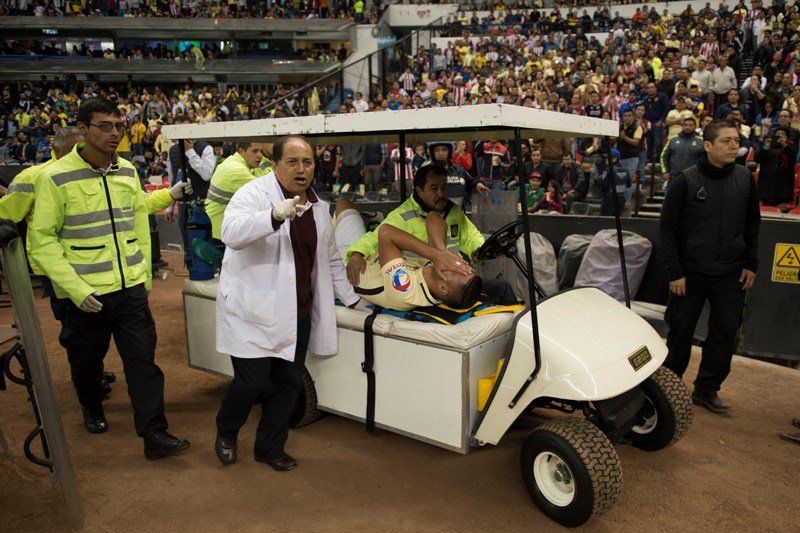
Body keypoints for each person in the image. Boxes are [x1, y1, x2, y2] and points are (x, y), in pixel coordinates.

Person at [28, 98, 190, 458]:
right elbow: (42, 241)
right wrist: (75, 289)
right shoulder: (55, 177)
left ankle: (154, 434)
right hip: (87, 294)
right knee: (87, 361)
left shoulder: (127, 172)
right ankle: (91, 405)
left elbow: (138, 216)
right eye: (104, 125)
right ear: (82, 130)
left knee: (143, 363)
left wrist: (143, 277)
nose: (114, 133)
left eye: (117, 125)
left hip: (130, 288)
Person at [214, 135, 360, 470]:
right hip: (253, 312)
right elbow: (231, 233)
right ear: (275, 164)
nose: (301, 168)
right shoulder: (252, 194)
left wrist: (352, 301)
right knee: (252, 383)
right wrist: (273, 217)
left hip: (298, 313)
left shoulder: (318, 208)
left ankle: (269, 447)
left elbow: (331, 260)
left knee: (287, 383)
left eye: (307, 161)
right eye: (292, 161)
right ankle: (226, 430)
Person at [659, 119, 760, 414]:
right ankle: (669, 389)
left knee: (725, 331)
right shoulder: (685, 180)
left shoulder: (745, 179)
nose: (734, 145)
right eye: (726, 141)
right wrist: (675, 272)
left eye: (736, 140)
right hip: (689, 275)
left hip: (730, 273)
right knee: (680, 332)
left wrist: (751, 263)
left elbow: (753, 224)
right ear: (708, 146)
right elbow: (667, 229)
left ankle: (706, 389)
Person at [334, 198, 480, 312]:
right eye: (465, 267)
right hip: (372, 254)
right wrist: (441, 251)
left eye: (458, 271)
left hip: (347, 265)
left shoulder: (405, 289)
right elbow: (433, 216)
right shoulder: (438, 273)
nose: (456, 264)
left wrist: (437, 256)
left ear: (443, 288)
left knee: (343, 203)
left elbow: (385, 232)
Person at [205, 142, 265, 245]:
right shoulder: (237, 171)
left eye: (262, 151)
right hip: (219, 232)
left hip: (214, 226)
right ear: (241, 151)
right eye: (255, 151)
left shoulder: (231, 161)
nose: (260, 155)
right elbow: (266, 191)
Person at [426, 141, 488, 207]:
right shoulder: (426, 172)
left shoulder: (459, 170)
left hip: (458, 214)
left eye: (444, 149)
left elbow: (471, 182)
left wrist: (478, 184)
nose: (441, 153)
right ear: (433, 153)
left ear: (449, 151)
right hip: (436, 215)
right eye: (437, 150)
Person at [755, 128, 798, 207]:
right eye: (778, 133)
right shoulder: (767, 146)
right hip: (767, 187)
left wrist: (785, 145)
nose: (780, 135)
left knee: (781, 213)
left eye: (783, 134)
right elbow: (758, 159)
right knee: (766, 212)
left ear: (787, 137)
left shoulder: (791, 146)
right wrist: (765, 148)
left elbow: (793, 159)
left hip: (783, 189)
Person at [661, 117, 705, 186]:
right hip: (674, 177)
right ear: (682, 126)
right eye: (686, 125)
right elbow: (663, 156)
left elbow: (705, 159)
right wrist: (665, 172)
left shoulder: (701, 141)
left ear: (695, 126)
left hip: (693, 177)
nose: (688, 127)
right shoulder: (673, 139)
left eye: (691, 125)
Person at [598, 149, 631, 216]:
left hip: (609, 200)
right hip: (621, 200)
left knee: (606, 222)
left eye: (607, 158)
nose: (605, 160)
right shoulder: (626, 170)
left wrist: (600, 179)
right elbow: (628, 184)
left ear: (614, 159)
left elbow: (603, 185)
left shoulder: (607, 170)